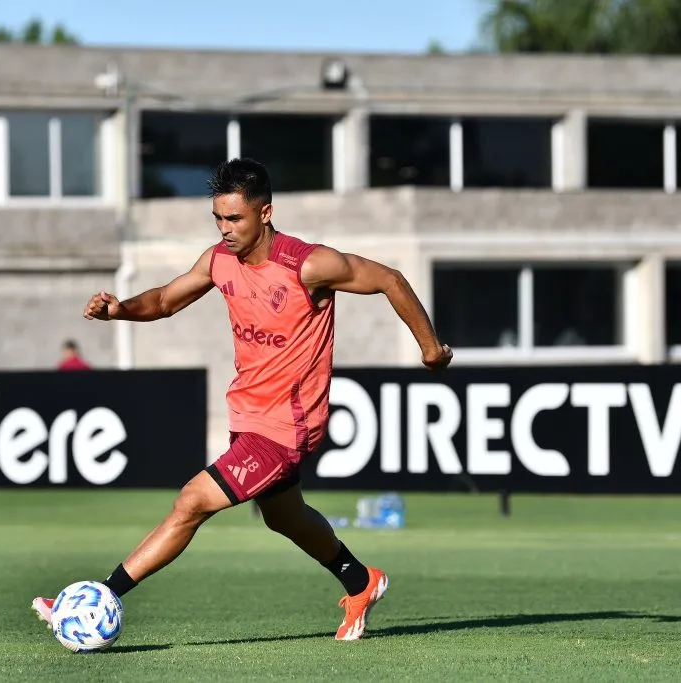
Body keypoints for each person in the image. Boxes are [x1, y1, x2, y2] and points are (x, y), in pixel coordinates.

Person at [32, 158, 452, 641]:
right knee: (283, 516)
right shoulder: (219, 260)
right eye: (218, 218)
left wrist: (431, 348)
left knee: (192, 501)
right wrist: (120, 311)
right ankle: (361, 581)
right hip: (249, 417)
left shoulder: (309, 265)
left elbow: (390, 279)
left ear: (266, 212)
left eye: (235, 218)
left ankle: (97, 599)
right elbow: (167, 300)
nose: (225, 229)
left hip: (287, 427)